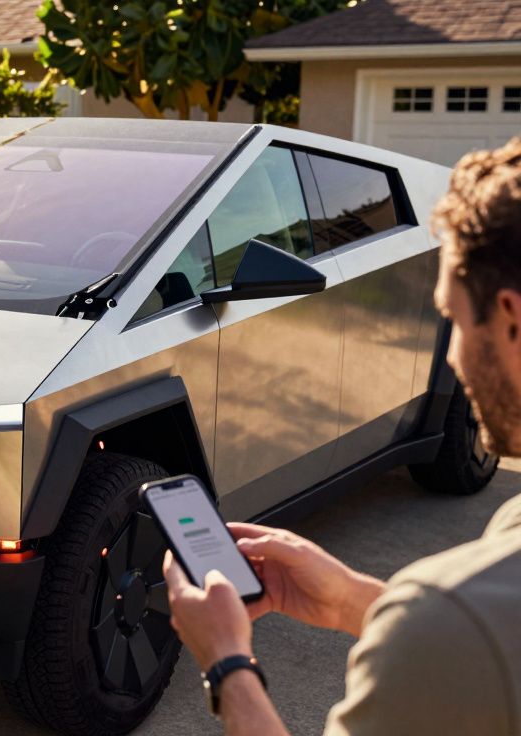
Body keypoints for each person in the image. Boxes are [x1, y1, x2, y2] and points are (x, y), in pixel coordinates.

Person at [164, 137, 521, 735]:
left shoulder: (454, 611)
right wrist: (353, 602)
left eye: (453, 318)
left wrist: (227, 663)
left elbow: (467, 639)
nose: (452, 355)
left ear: (511, 318)